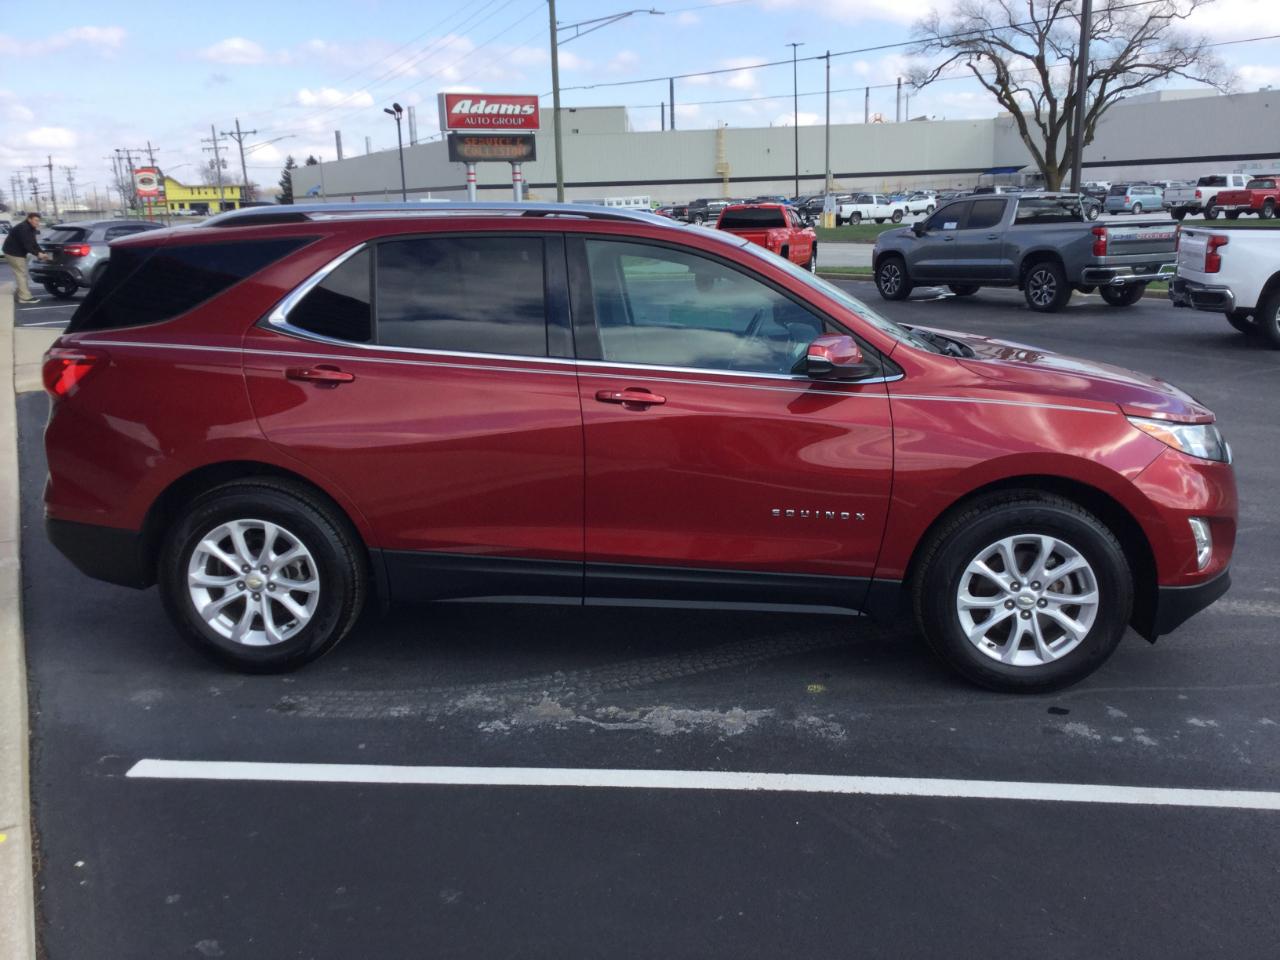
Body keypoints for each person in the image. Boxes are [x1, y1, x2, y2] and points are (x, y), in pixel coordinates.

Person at [2, 212, 51, 304]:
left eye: (38, 221)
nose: (37, 222)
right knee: (21, 274)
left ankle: (20, 294)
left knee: (21, 274)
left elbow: (33, 243)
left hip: (16, 252)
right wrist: (38, 254)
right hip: (14, 253)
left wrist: (42, 252)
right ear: (29, 219)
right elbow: (27, 245)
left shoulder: (30, 228)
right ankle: (24, 298)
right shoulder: (23, 228)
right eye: (36, 220)